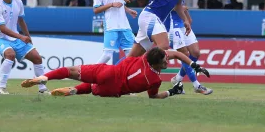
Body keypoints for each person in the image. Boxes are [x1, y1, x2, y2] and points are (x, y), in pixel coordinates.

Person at [21, 47, 211, 98]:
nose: (167, 61)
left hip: (109, 71)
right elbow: (154, 97)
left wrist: (194, 67)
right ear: (158, 63)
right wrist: (173, 92)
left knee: (70, 70)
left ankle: (44, 77)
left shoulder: (146, 56)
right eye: (165, 61)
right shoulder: (154, 80)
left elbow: (176, 53)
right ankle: (73, 91)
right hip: (113, 89)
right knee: (90, 88)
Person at [0, 0, 49, 94]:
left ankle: (42, 89)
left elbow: (21, 20)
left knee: (37, 58)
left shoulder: (18, 2)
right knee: (10, 54)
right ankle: (1, 88)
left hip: (16, 38)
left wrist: (28, 37)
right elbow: (2, 29)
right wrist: (21, 37)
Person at [166, 0, 212, 95]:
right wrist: (181, 9)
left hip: (182, 23)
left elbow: (181, 5)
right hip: (173, 26)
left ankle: (178, 78)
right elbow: (171, 5)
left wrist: (187, 17)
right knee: (185, 56)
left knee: (196, 53)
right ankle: (196, 85)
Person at [93, 0, 138, 64]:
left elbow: (121, 4)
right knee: (107, 55)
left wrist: (128, 10)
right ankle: (90, 75)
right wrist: (111, 4)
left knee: (131, 55)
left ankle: (127, 79)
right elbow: (96, 10)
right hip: (111, 26)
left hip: (124, 26)